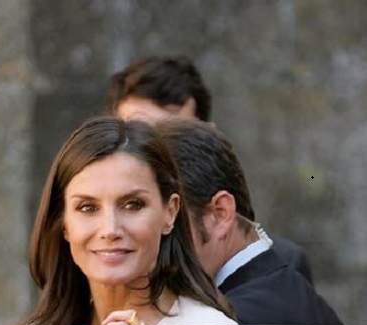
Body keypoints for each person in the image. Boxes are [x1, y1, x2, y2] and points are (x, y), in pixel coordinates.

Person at [107, 54, 314, 284]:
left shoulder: (282, 264)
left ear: (207, 135)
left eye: (176, 135)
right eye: (137, 135)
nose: (156, 154)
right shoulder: (99, 255)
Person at [20, 116, 237, 325]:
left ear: (170, 212)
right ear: (64, 223)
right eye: (88, 207)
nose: (110, 230)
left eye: (133, 205)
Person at [157, 119, 343, 325]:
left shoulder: (230, 322)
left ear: (220, 214)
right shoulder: (277, 291)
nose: (154, 242)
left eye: (172, 220)